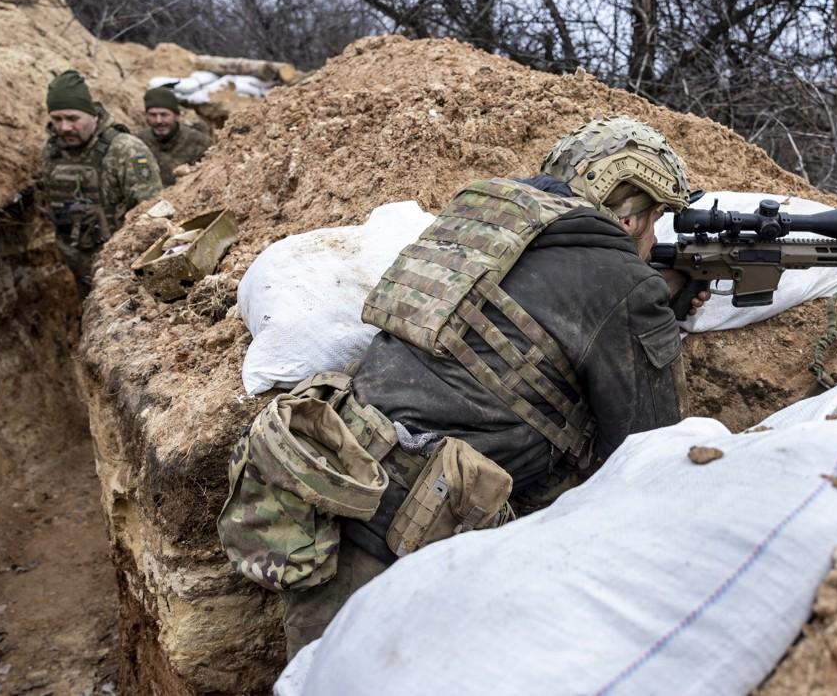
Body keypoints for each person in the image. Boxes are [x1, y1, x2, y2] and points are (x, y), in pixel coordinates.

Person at [273, 116, 710, 656]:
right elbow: (648, 449)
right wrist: (650, 315)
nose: (653, 238)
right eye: (654, 220)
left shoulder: (479, 220)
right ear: (628, 214)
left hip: (335, 489)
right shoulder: (620, 280)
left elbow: (518, 330)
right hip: (420, 541)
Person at [38, 69, 162, 294]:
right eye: (57, 119)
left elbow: (153, 216)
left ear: (93, 115)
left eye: (73, 118)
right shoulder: (51, 152)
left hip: (121, 272)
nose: (64, 127)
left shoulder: (125, 150)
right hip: (75, 262)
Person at [136, 85, 213, 186]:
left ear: (176, 116)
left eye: (164, 115)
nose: (158, 121)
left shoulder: (200, 143)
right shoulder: (138, 143)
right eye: (153, 115)